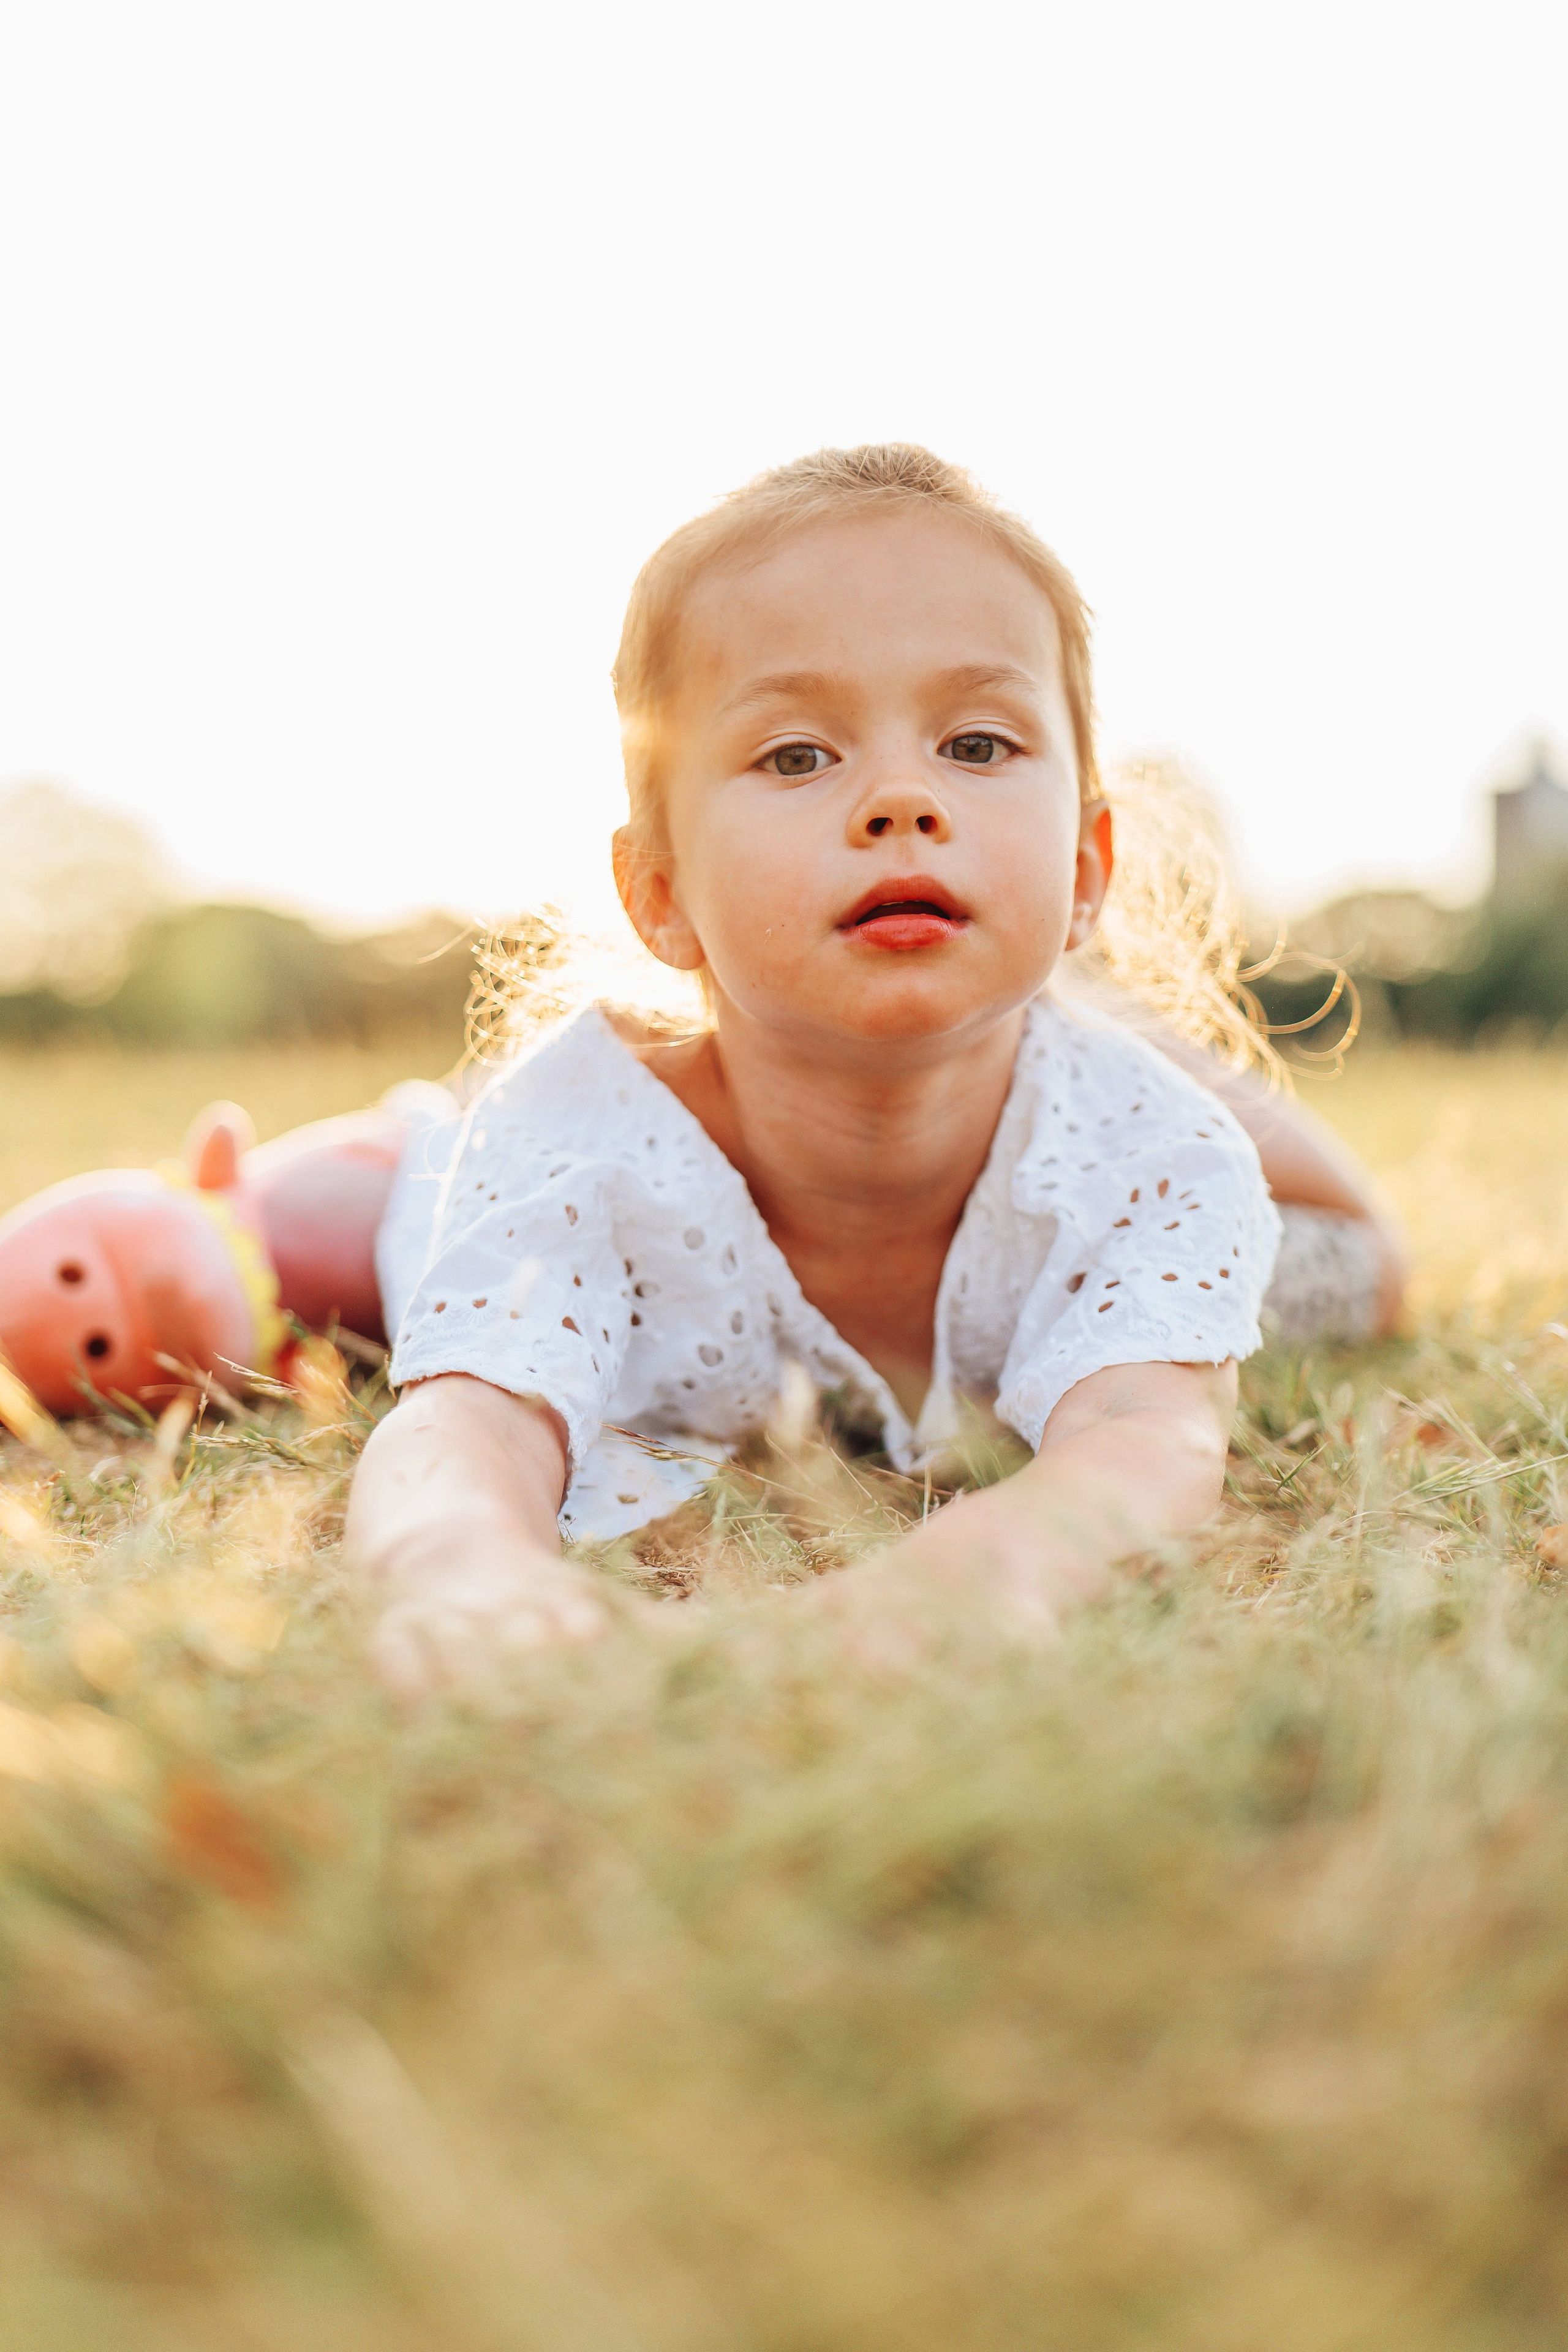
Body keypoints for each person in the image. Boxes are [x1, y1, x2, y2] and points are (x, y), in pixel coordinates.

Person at [346, 445, 1404, 1694]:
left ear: (1082, 871)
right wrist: (461, 1558)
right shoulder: (567, 1142)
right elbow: (469, 1417)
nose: (900, 797)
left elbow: (1145, 1435)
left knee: (1306, 1243)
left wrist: (982, 1568)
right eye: (796, 757)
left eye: (976, 742)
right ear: (660, 892)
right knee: (322, 1220)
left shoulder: (1153, 1152)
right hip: (446, 1161)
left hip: (1087, 1075)